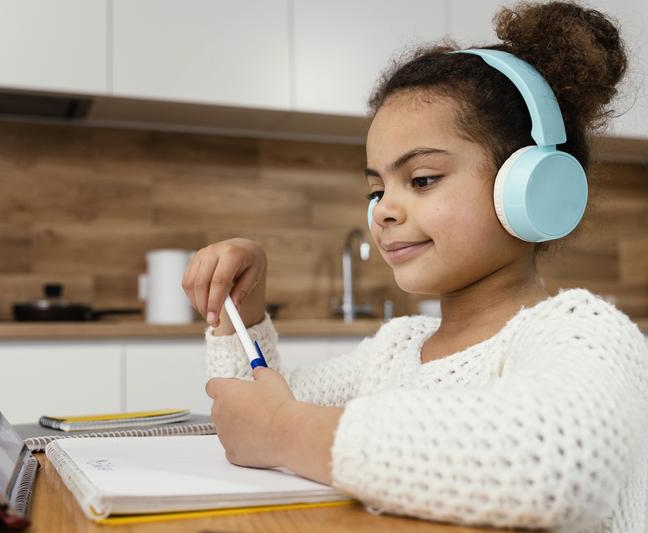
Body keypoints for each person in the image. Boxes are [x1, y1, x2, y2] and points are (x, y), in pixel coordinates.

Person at [181, 2, 647, 531]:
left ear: (533, 187)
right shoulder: (394, 352)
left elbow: (558, 468)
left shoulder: (585, 334)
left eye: (422, 179)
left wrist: (289, 430)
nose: (384, 210)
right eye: (376, 189)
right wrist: (241, 310)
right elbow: (248, 413)